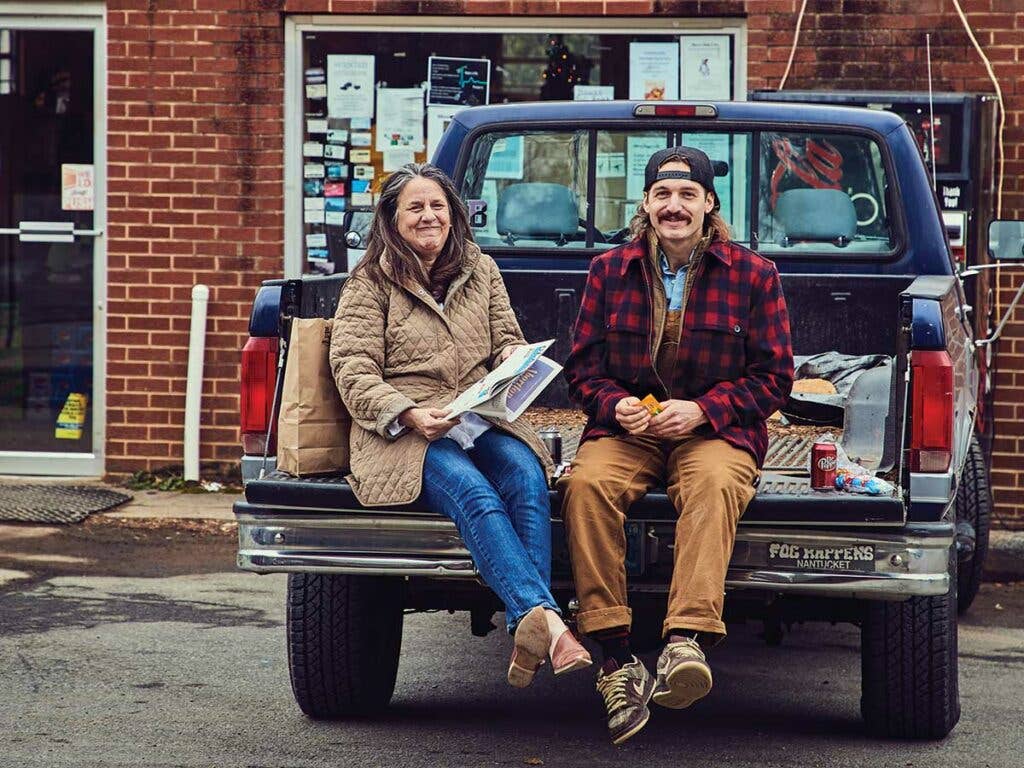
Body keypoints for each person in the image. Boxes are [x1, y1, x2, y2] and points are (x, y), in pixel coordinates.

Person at [559, 147, 793, 744]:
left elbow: (774, 378)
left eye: (688, 195)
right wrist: (616, 406)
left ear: (709, 205)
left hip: (714, 429)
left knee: (716, 485)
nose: (674, 206)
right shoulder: (608, 270)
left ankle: (684, 643)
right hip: (630, 430)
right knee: (585, 485)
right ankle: (613, 653)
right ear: (645, 204)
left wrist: (704, 410)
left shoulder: (754, 275)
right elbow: (582, 371)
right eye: (662, 195)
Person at [330, 163, 591, 688]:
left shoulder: (481, 267)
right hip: (405, 430)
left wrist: (515, 359)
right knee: (475, 494)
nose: (429, 217)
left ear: (453, 214)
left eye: (437, 206)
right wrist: (407, 412)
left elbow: (505, 339)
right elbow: (352, 370)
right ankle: (551, 624)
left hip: (476, 416)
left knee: (525, 475)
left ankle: (529, 623)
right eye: (415, 208)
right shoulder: (370, 283)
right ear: (391, 219)